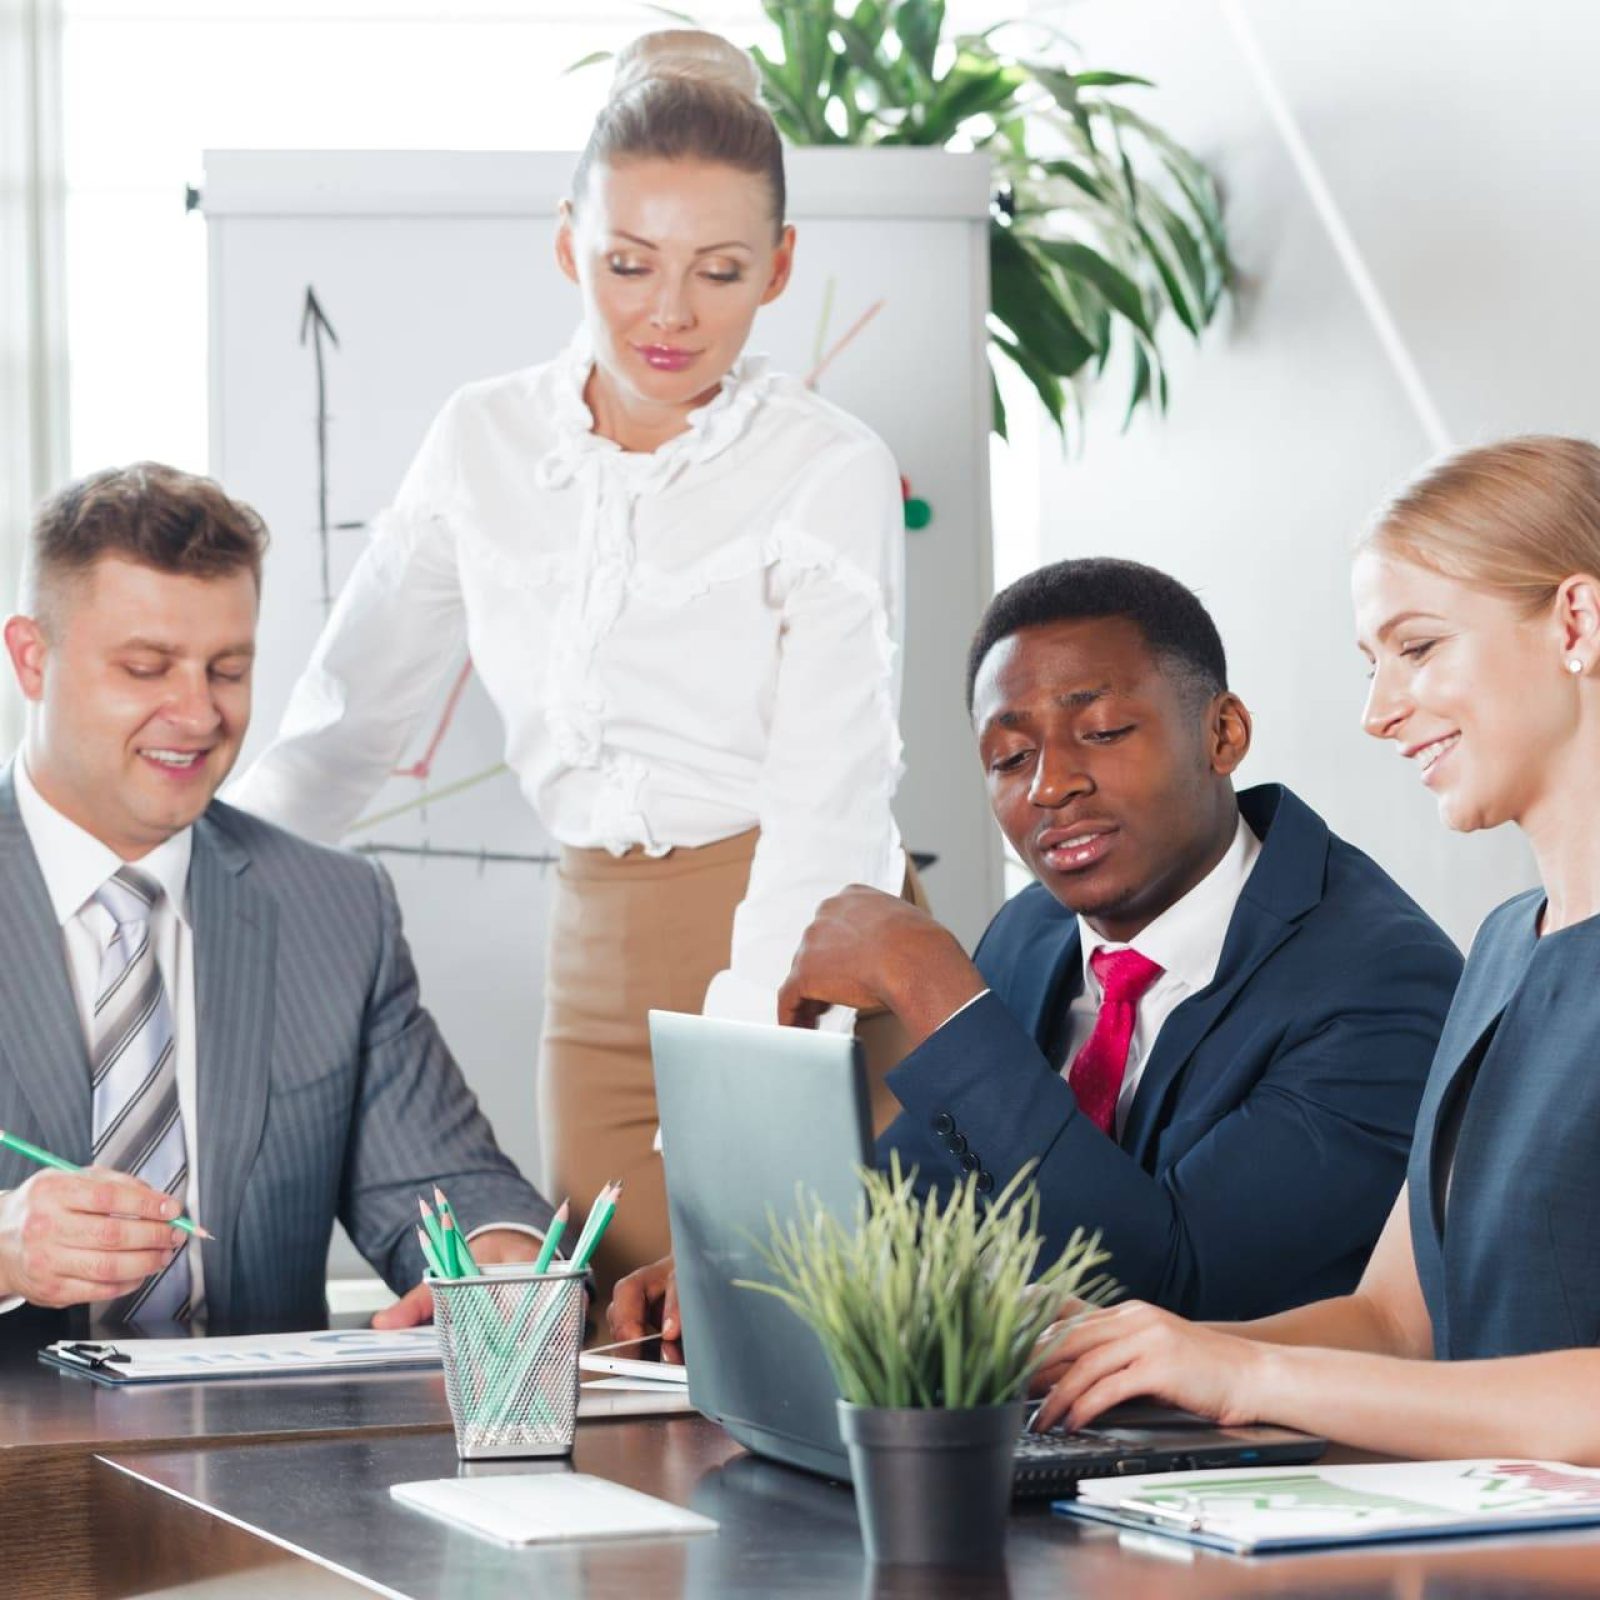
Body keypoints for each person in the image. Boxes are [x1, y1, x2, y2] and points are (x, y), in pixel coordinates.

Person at [227, 29, 912, 1301]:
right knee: (609, 1346)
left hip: (803, 950)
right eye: (628, 262)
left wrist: (744, 1076)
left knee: (778, 1336)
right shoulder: (480, 439)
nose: (669, 312)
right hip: (594, 966)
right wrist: (203, 892)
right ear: (566, 244)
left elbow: (831, 803)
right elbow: (346, 722)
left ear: (779, 266)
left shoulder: (828, 467)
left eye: (719, 270)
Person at [609, 558, 1462, 1342]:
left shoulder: (1383, 984)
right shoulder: (1035, 932)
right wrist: (753, 1266)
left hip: (1262, 1450)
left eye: (1104, 731)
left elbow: (1170, 1298)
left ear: (1223, 734)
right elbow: (919, 1201)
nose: (1051, 785)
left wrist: (934, 990)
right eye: (1011, 757)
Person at [1032, 437, 1600, 1463]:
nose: (1378, 713)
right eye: (1371, 665)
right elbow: (1396, 1323)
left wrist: (1251, 1376)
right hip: (1474, 1530)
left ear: (1576, 622)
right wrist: (1144, 1351)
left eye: (1418, 647)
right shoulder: (1504, 950)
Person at [0, 464, 554, 1334]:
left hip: (260, 1423)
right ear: (33, 658)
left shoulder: (333, 909)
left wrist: (500, 1269)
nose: (198, 715)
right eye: (146, 668)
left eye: (227, 670)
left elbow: (447, 1188)